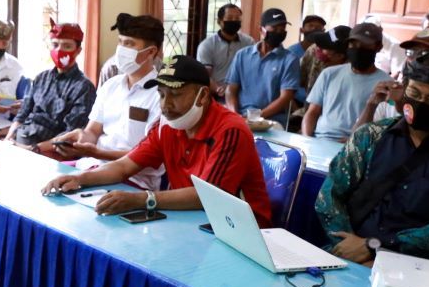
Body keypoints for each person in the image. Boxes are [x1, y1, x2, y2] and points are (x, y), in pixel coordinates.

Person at [315, 50, 429, 265]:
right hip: (346, 255)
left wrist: (375, 249)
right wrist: (349, 247)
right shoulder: (370, 136)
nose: (421, 104)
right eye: (414, 93)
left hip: (417, 270)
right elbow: (329, 196)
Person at [41, 56, 271, 224]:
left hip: (238, 229)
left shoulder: (231, 130)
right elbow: (123, 167)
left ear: (202, 95)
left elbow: (207, 197)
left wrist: (143, 200)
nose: (165, 105)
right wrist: (80, 179)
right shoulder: (167, 126)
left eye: (176, 95)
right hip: (189, 220)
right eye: (161, 94)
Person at [50, 15, 165, 189]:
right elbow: (93, 131)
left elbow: (148, 156)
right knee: (44, 182)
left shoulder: (161, 95)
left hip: (134, 180)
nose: (122, 49)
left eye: (130, 44)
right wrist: (81, 139)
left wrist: (98, 152)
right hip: (91, 165)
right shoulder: (112, 85)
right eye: (121, 42)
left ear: (151, 52)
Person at [353, 29, 429, 130]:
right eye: (411, 52)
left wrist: (403, 105)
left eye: (424, 53)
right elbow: (356, 141)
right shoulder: (392, 89)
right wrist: (371, 104)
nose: (415, 59)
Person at [6, 21, 95, 150]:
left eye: (67, 46)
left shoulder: (84, 87)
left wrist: (34, 149)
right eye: (55, 45)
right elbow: (22, 113)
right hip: (20, 140)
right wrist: (9, 139)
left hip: (48, 150)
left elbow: (70, 134)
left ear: (78, 51)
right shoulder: (41, 78)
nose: (59, 50)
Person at [302, 23, 391, 141]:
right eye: (353, 44)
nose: (358, 48)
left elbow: (382, 127)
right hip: (319, 141)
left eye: (364, 45)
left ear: (378, 47)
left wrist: (353, 144)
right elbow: (312, 112)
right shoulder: (329, 74)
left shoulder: (385, 84)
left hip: (356, 145)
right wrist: (307, 139)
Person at [225, 7, 301, 126]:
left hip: (273, 121)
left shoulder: (290, 60)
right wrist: (235, 115)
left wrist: (255, 117)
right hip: (241, 116)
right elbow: (231, 89)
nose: (279, 33)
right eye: (274, 28)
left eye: (282, 29)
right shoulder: (242, 55)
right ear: (261, 29)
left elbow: (285, 98)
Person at [195, 3, 253, 101]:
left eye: (237, 19)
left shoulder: (248, 42)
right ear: (219, 21)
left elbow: (252, 70)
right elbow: (204, 76)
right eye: (230, 18)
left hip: (242, 93)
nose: (234, 21)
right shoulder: (207, 45)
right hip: (216, 94)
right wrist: (218, 89)